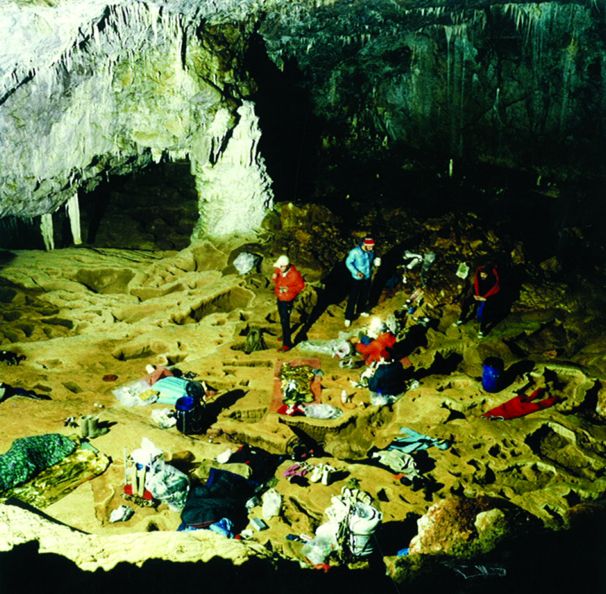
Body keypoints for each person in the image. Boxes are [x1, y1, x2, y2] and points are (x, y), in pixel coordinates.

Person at [455, 261, 501, 337]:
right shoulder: (479, 279)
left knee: (485, 311)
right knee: (466, 302)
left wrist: (486, 298)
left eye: (485, 274)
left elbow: (495, 293)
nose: (482, 275)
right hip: (477, 296)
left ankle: (482, 329)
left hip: (487, 298)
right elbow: (474, 287)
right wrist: (474, 295)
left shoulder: (492, 282)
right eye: (481, 274)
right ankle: (461, 319)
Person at [344, 237, 381, 327]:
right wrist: (356, 272)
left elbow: (372, 261)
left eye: (373, 246)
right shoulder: (355, 252)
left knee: (364, 295)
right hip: (356, 279)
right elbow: (348, 263)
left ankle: (360, 310)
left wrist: (376, 261)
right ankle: (348, 317)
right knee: (353, 297)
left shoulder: (371, 252)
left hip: (367, 277)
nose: (372, 248)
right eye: (370, 246)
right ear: (365, 245)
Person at [272, 255, 305, 351]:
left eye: (281, 267)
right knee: (282, 318)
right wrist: (275, 277)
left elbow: (301, 286)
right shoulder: (280, 270)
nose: (279, 269)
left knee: (285, 319)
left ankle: (287, 343)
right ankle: (285, 333)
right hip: (280, 296)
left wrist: (288, 289)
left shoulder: (294, 274)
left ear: (286, 266)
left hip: (287, 299)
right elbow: (277, 279)